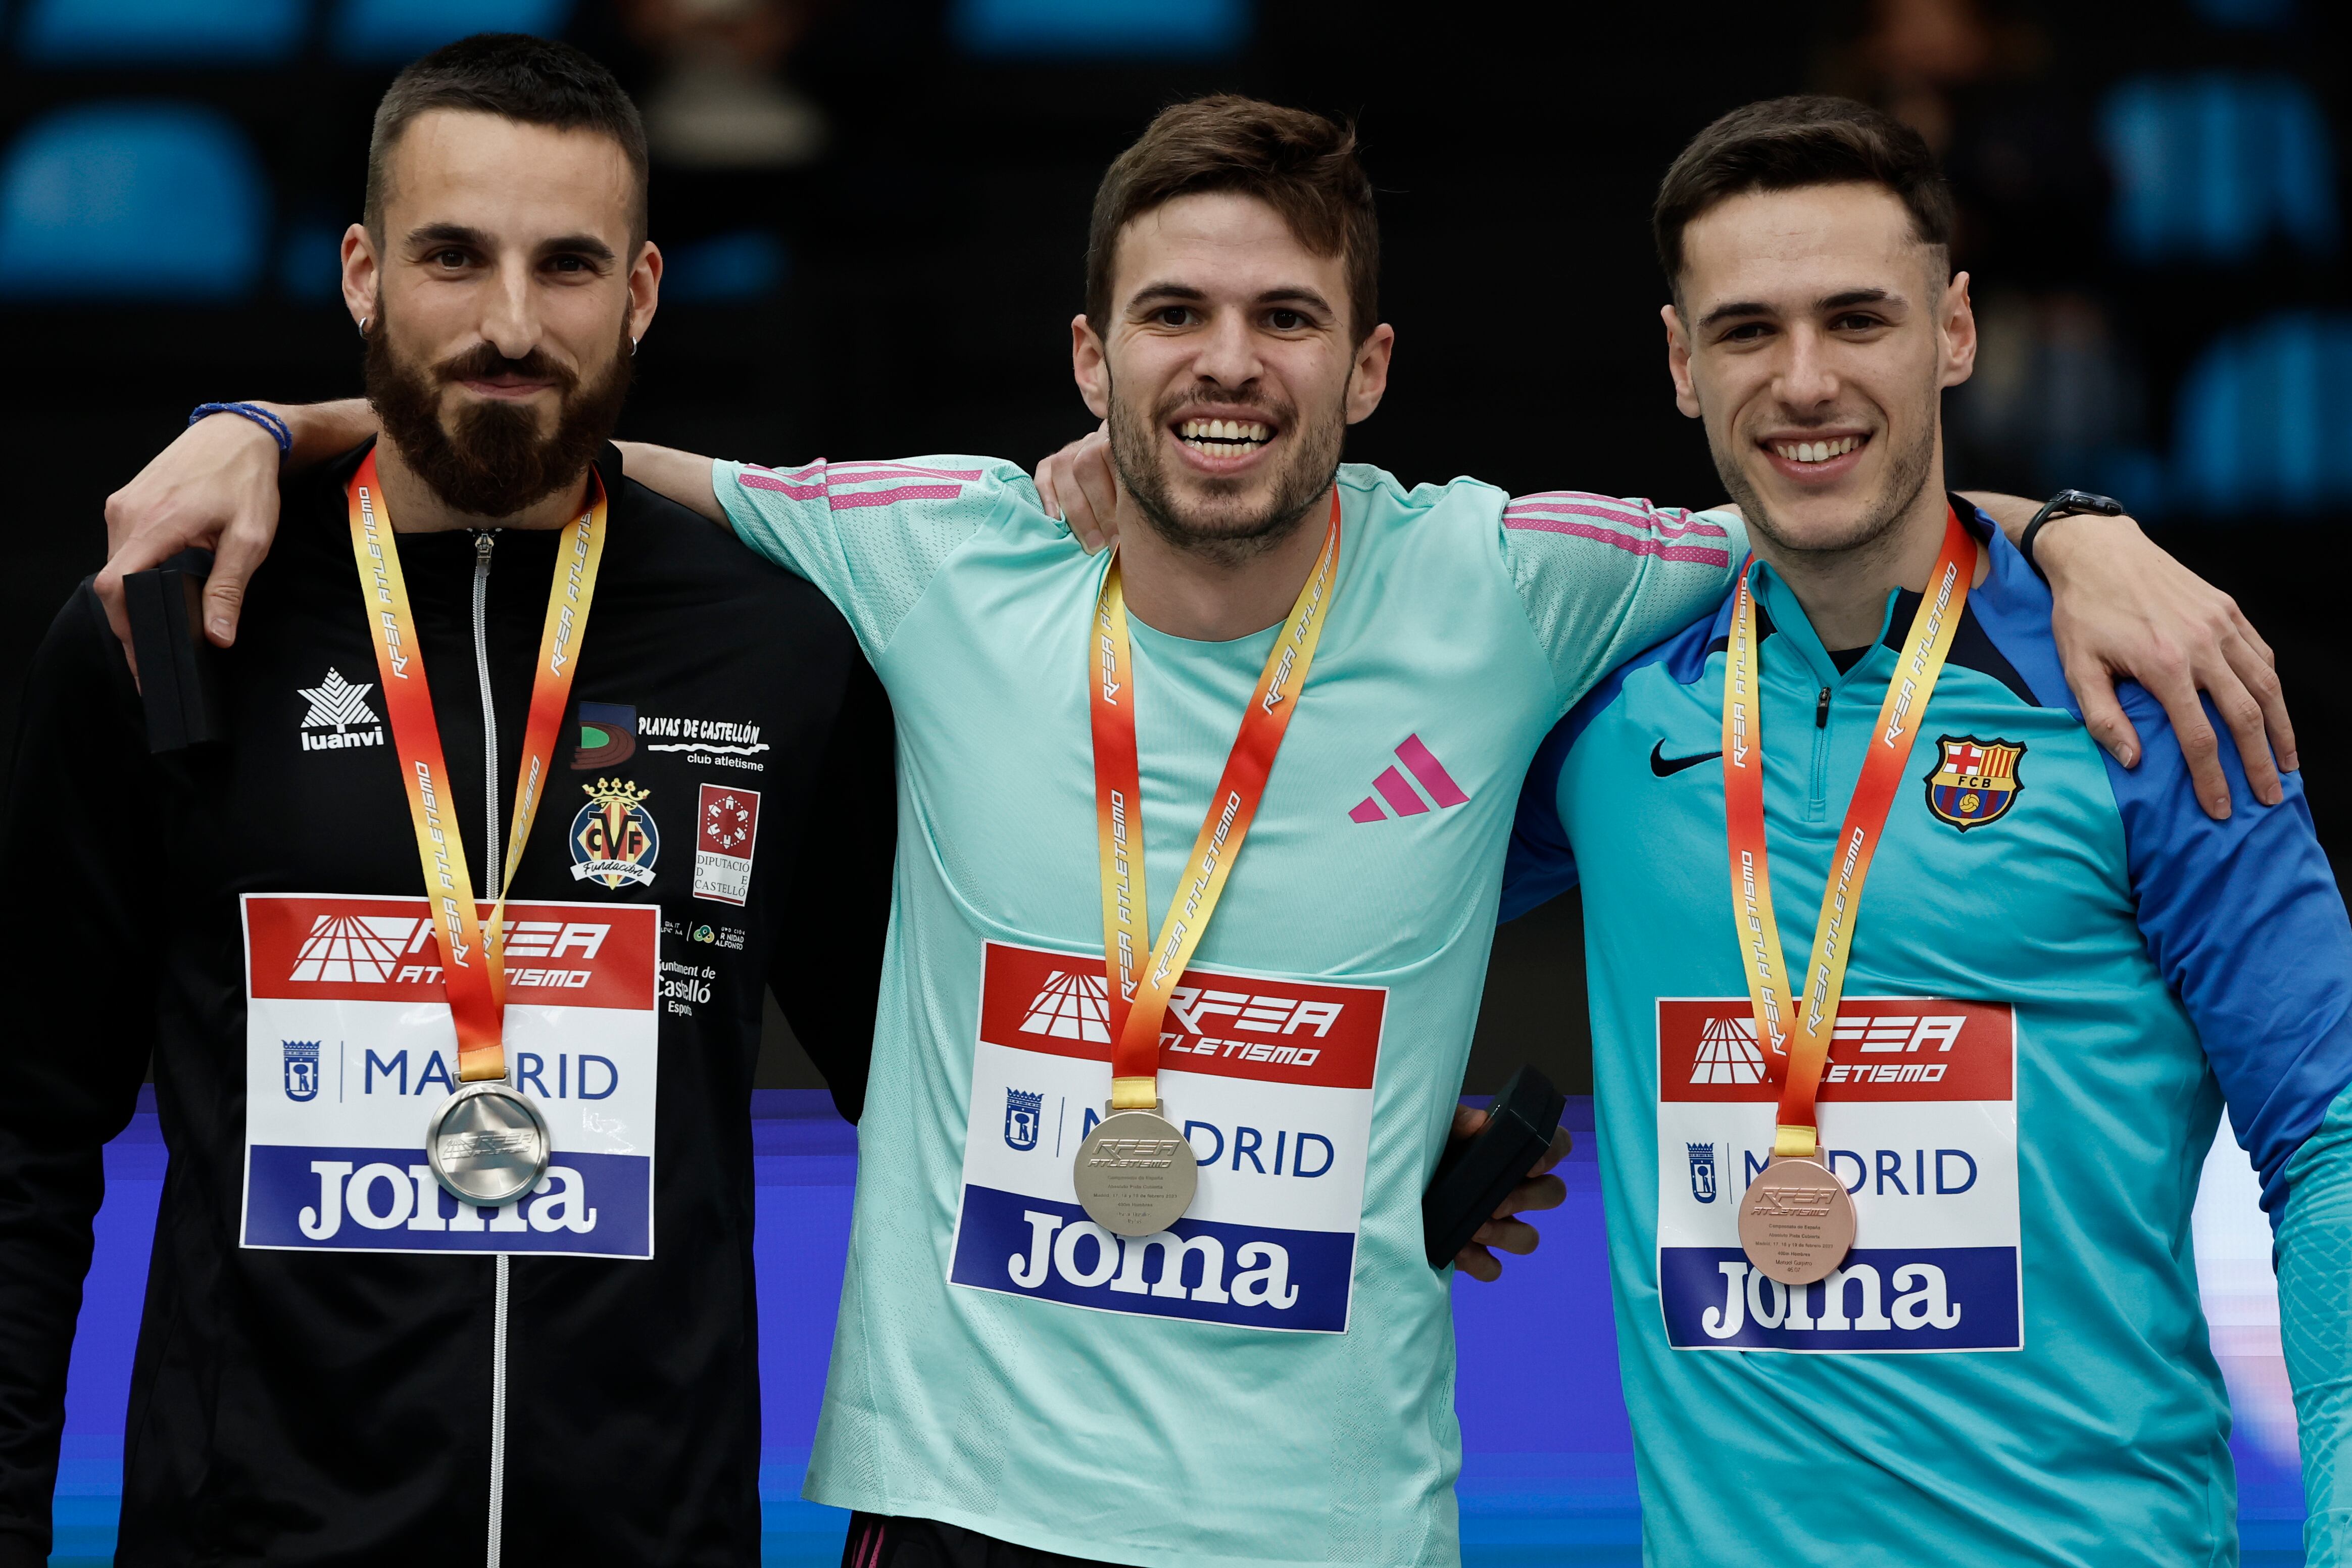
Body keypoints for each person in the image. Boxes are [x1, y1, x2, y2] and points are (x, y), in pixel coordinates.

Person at [96, 90, 2289, 1568]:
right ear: (1085, 353)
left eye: (1283, 321)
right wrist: (260, 424)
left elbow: (1830, 485)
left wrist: (2075, 526)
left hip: (1338, 1524)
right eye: (1171, 315)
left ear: (1373, 365)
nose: (1222, 365)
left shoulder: (1520, 576)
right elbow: (549, 432)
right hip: (956, 1514)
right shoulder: (931, 542)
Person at [0, 36, 897, 1568]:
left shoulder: (782, 650)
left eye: (566, 266)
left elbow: (936, 1094)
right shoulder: (178, 622)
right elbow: (20, 1137)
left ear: (644, 291)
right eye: (450, 257)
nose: (508, 323)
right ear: (361, 275)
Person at [1501, 95, 2352, 1565]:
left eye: (1860, 320)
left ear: (1954, 332)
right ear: (1679, 362)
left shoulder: (2146, 687)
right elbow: (1333, 896)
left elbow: (2331, 1134)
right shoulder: (1598, 703)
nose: (1807, 382)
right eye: (1751, 331)